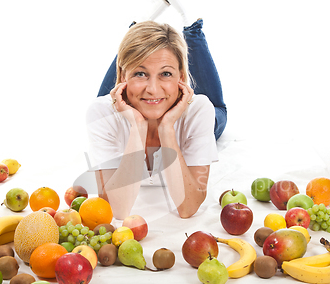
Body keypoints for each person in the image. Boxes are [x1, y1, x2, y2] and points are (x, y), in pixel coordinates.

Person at [86, 1, 226, 220]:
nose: (152, 90)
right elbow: (117, 210)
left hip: (187, 109)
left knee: (217, 108)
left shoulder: (198, 111)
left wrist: (168, 128)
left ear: (181, 77)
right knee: (108, 94)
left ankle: (192, 27)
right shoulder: (103, 112)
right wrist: (138, 126)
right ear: (124, 77)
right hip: (129, 100)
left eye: (166, 74)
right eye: (140, 74)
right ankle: (139, 32)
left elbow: (187, 208)